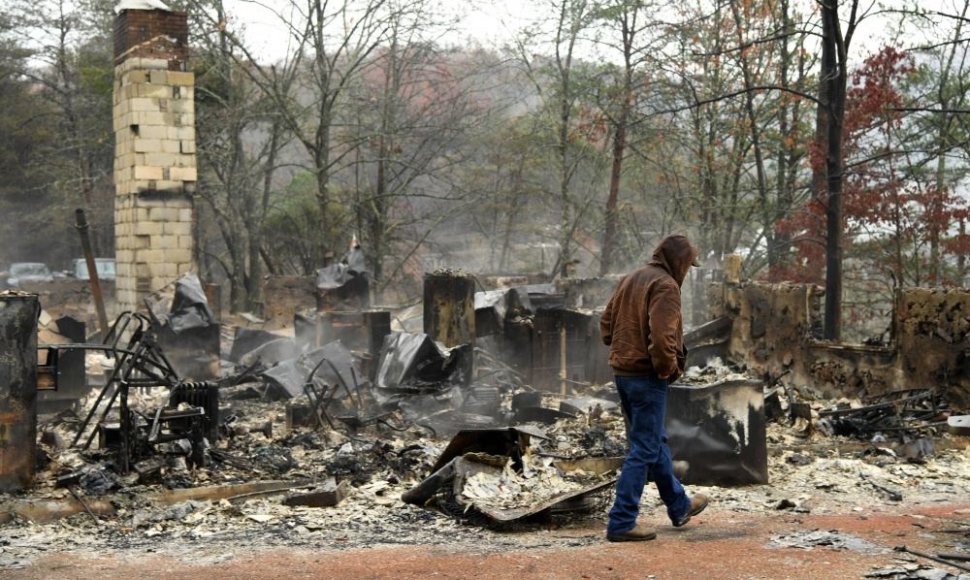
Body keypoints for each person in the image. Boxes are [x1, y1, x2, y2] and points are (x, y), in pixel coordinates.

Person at [600, 234, 709, 542]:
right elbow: (662, 340)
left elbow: (605, 324)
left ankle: (679, 506)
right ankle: (621, 521)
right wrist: (668, 369)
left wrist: (623, 348)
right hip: (646, 378)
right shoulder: (666, 286)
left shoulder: (631, 278)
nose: (688, 271)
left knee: (653, 440)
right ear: (679, 261)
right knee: (644, 448)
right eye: (688, 264)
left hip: (623, 374)